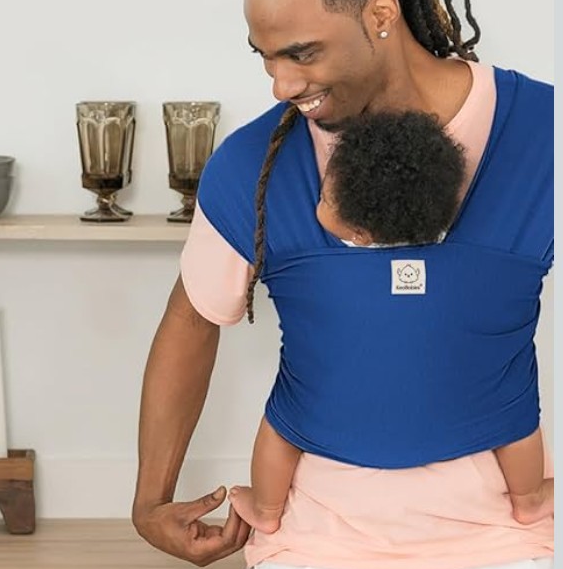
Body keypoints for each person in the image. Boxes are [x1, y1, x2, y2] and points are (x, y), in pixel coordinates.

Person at [132, 0, 553, 569]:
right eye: (263, 58)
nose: (280, 84)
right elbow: (191, 319)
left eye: (300, 52)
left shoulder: (541, 135)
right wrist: (149, 496)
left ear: (381, 13)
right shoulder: (257, 163)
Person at [229, 109, 553, 533]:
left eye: (325, 198)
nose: (317, 199)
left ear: (360, 234)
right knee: (515, 417)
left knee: (280, 429)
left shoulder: (312, 270)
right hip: (474, 418)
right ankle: (528, 499)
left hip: (324, 420)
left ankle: (266, 510)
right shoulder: (489, 267)